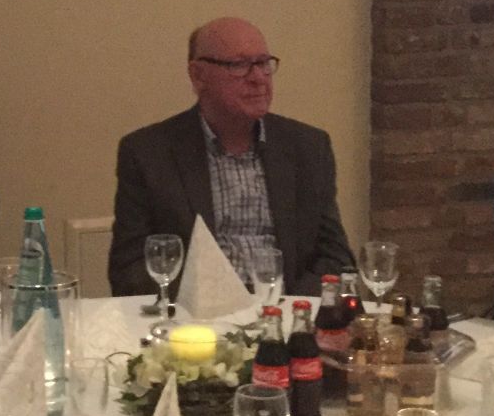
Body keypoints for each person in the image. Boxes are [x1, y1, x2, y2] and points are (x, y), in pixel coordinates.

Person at [108, 17, 355, 297]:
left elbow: (336, 258)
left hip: (287, 313)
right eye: (239, 65)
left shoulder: (308, 147)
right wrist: (212, 306)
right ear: (198, 75)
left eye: (263, 63)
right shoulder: (148, 153)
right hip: (196, 316)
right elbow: (129, 270)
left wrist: (287, 309)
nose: (258, 78)